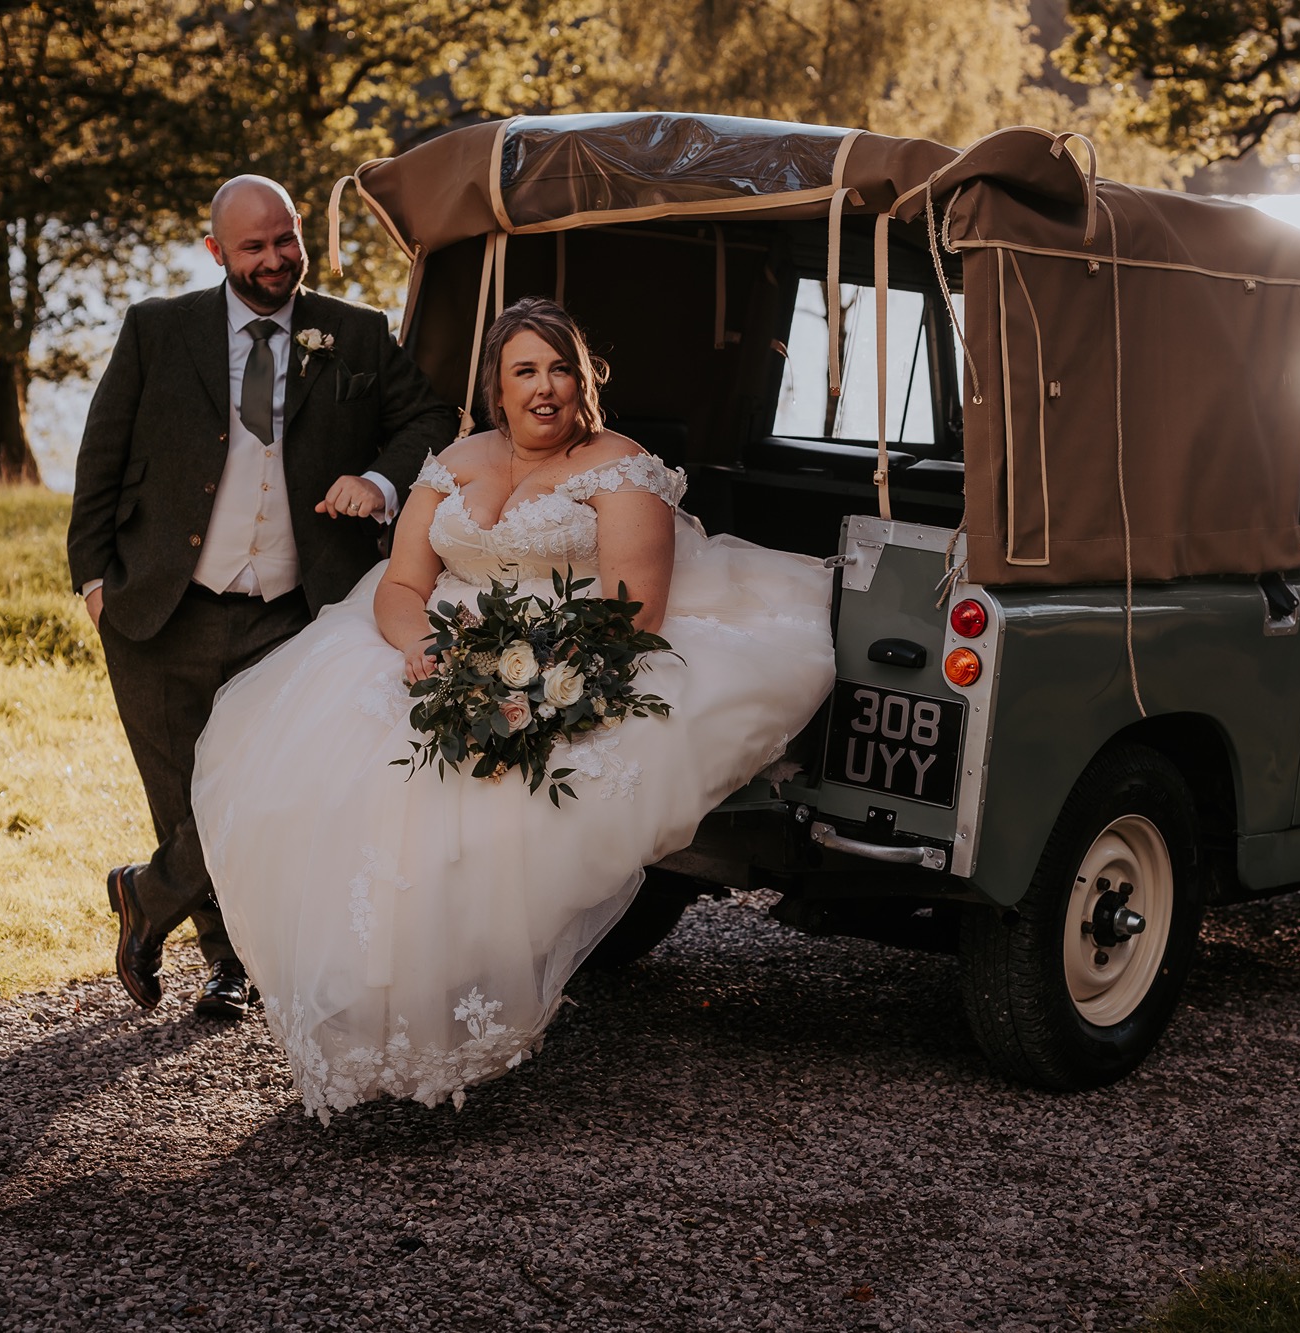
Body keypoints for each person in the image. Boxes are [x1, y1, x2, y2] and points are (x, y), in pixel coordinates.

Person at [191, 298, 836, 1120]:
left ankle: (450, 1007)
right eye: (525, 371)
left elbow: (632, 614)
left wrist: (526, 686)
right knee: (342, 768)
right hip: (443, 640)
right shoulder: (452, 462)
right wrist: (420, 650)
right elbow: (400, 586)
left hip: (578, 648)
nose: (545, 388)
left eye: (560, 368)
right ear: (497, 387)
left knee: (492, 806)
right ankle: (362, 1007)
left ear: (584, 379)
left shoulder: (619, 466)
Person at [68, 175, 459, 1021]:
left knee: (268, 793)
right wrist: (93, 583)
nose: (277, 258)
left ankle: (146, 893)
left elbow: (430, 419)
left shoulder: (355, 333)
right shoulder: (156, 330)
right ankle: (227, 966)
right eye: (255, 246)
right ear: (217, 253)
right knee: (182, 795)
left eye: (286, 239)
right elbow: (100, 456)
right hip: (160, 607)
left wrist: (380, 480)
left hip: (295, 612)